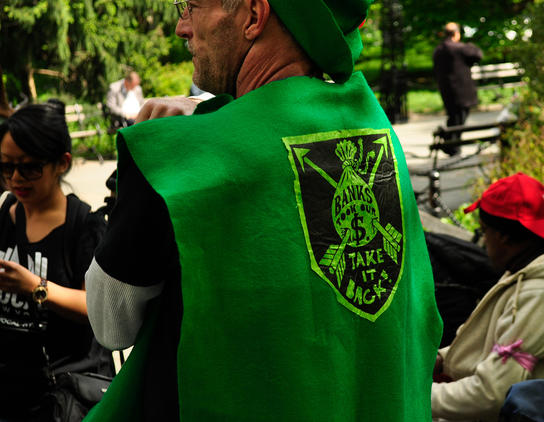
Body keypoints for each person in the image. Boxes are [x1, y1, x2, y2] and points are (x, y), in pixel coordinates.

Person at [84, 0, 443, 421]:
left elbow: (110, 322)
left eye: (192, 6)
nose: (182, 27)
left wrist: (171, 145)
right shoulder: (375, 133)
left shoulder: (182, 157)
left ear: (254, 16)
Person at [431, 173, 544, 421]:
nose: (483, 242)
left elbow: (490, 396)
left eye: (485, 232)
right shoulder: (527, 269)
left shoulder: (542, 297)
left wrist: (417, 394)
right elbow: (494, 343)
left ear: (503, 236)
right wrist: (442, 358)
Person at [0, 101, 107, 419]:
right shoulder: (6, 213)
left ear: (62, 163)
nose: (16, 178)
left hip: (61, 395)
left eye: (30, 167)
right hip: (10, 389)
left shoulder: (85, 226)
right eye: (6, 167)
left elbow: (98, 308)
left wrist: (36, 287)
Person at [433, 22, 483, 156]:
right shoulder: (459, 48)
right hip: (462, 91)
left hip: (446, 89)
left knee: (453, 118)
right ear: (456, 33)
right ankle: (453, 146)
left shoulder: (439, 49)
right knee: (459, 119)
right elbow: (478, 55)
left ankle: (450, 144)